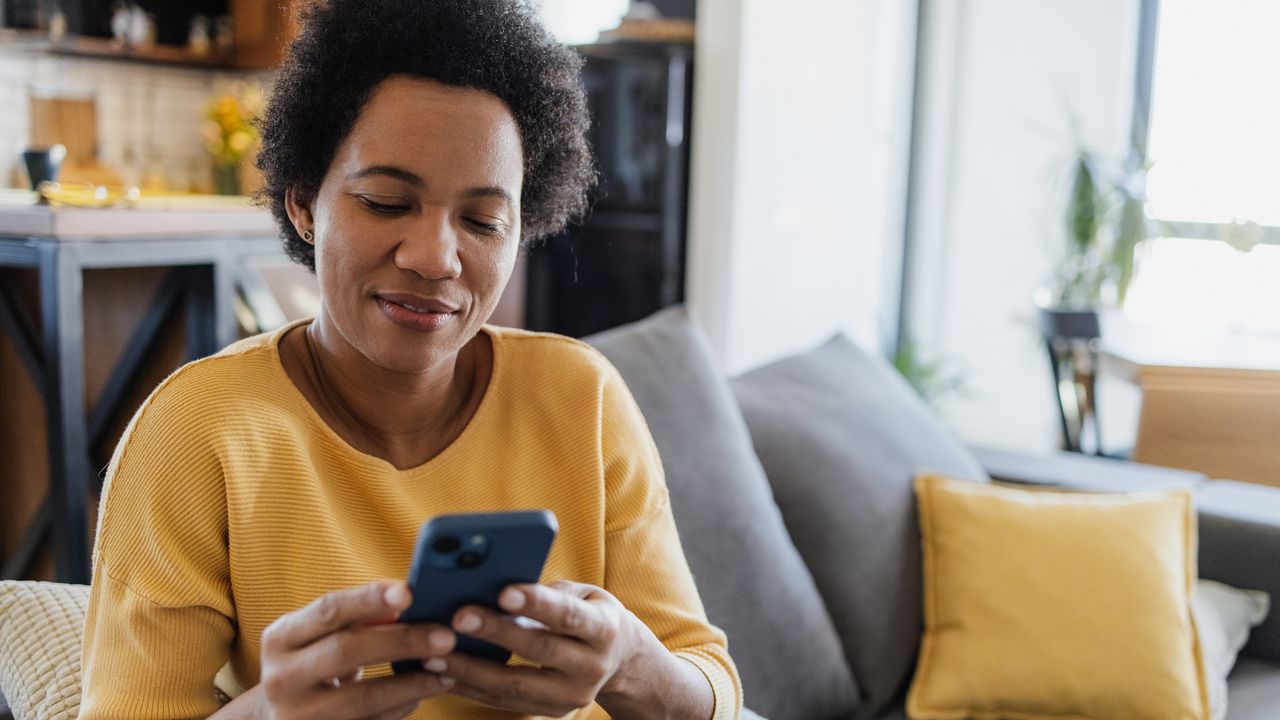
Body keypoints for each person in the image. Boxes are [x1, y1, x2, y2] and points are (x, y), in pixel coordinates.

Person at [77, 1, 741, 718]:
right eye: (387, 202)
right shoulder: (196, 434)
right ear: (304, 202)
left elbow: (710, 685)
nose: (435, 259)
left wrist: (635, 666)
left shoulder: (583, 399)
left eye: (484, 221)